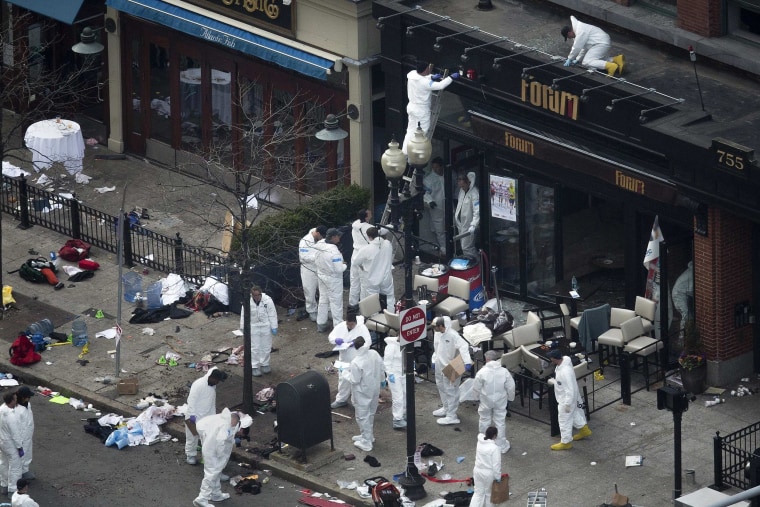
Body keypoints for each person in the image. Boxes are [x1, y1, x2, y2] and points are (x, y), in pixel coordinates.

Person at [403, 62, 459, 153]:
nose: (430, 69)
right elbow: (440, 86)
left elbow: (421, 79)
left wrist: (431, 77)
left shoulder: (412, 74)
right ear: (425, 69)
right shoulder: (424, 83)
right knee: (422, 133)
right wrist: (451, 77)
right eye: (428, 68)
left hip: (411, 107)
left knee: (410, 131)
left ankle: (405, 152)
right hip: (421, 110)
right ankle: (416, 154)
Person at [192, 409, 241, 507]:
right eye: (234, 424)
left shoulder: (220, 418)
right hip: (213, 450)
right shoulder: (225, 426)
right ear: (233, 421)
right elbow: (220, 441)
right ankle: (202, 498)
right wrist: (220, 454)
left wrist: (205, 437)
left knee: (216, 472)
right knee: (211, 473)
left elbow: (200, 426)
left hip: (209, 445)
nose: (233, 426)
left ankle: (215, 494)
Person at [547, 349, 591, 450]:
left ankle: (566, 442)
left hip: (566, 400)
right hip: (571, 398)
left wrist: (567, 404)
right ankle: (584, 430)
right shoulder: (566, 361)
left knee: (564, 420)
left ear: (555, 359)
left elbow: (569, 389)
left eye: (551, 358)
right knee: (574, 413)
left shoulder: (564, 372)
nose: (550, 359)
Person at [432, 316, 472, 425]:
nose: (436, 329)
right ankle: (446, 408)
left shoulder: (453, 335)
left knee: (451, 390)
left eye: (438, 326)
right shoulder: (437, 334)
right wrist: (434, 359)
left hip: (452, 366)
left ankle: (452, 415)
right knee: (441, 387)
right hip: (440, 365)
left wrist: (466, 361)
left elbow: (464, 346)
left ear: (443, 325)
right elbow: (437, 348)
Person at [473, 350, 515, 454]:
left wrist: (475, 398)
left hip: (486, 399)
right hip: (500, 399)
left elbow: (476, 388)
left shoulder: (482, 372)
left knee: (484, 419)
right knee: (500, 421)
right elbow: (511, 386)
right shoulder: (504, 371)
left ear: (487, 359)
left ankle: (484, 441)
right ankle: (500, 444)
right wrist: (510, 398)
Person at [184, 367, 228, 465]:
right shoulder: (198, 385)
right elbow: (191, 402)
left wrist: (213, 418)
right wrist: (192, 418)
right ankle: (190, 455)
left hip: (206, 417)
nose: (217, 383)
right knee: (192, 437)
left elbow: (212, 403)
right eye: (217, 380)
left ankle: (207, 458)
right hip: (193, 416)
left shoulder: (212, 386)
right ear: (211, 377)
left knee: (207, 439)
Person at [349, 336, 385, 452]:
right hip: (374, 389)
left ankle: (366, 441)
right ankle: (368, 436)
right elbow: (381, 368)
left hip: (362, 392)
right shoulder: (374, 353)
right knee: (370, 413)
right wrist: (382, 381)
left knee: (362, 416)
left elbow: (354, 380)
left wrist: (344, 373)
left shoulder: (356, 362)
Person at [328, 311, 371, 409]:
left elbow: (368, 342)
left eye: (352, 325)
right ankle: (341, 399)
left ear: (355, 322)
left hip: (357, 359)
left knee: (357, 382)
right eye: (348, 324)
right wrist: (336, 340)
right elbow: (331, 337)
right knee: (343, 379)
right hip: (343, 358)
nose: (350, 326)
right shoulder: (341, 326)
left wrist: (356, 343)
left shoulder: (362, 328)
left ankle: (358, 403)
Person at [240, 286, 279, 377]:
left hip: (265, 326)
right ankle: (254, 366)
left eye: (258, 295)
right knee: (254, 347)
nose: (256, 297)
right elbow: (243, 315)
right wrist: (243, 328)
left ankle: (265, 363)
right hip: (253, 326)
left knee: (266, 346)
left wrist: (274, 326)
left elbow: (272, 314)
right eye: (254, 295)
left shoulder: (268, 301)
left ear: (261, 293)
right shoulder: (247, 302)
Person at [316, 228, 347, 333]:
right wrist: (344, 265)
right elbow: (339, 269)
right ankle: (338, 327)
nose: (339, 237)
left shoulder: (319, 246)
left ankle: (321, 323)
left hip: (321, 276)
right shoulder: (334, 252)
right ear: (333, 237)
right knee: (336, 303)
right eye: (338, 236)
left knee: (323, 300)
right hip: (333, 279)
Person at [298, 225, 328, 322]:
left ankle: (326, 309)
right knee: (309, 291)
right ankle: (312, 311)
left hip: (320, 268)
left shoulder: (320, 239)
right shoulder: (305, 241)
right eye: (321, 237)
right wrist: (317, 257)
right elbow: (303, 257)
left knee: (324, 289)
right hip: (308, 269)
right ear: (317, 233)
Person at [362, 227, 396, 309]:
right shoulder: (388, 244)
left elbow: (357, 262)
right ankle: (391, 315)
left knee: (372, 299)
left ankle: (374, 318)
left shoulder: (366, 249)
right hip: (386, 276)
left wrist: (364, 267)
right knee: (389, 297)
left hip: (373, 278)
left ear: (369, 237)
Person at [470, 426, 503, 507]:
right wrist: (498, 477)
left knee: (478, 493)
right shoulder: (494, 448)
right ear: (495, 436)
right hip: (488, 473)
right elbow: (496, 465)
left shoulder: (480, 442)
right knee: (489, 495)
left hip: (477, 470)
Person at [0, 391, 23, 498]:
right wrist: (19, 447)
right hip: (10, 443)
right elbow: (15, 434)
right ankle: (12, 489)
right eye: (15, 399)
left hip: (2, 441)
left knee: (4, 463)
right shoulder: (10, 416)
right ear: (12, 401)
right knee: (15, 466)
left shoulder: (1, 409)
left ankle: (4, 485)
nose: (16, 400)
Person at [349, 210, 373, 309]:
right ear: (367, 217)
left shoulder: (355, 225)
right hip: (364, 257)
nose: (371, 213)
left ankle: (352, 304)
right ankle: (364, 306)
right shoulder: (369, 228)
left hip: (355, 255)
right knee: (364, 283)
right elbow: (377, 234)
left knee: (354, 280)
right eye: (369, 213)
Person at [383, 332, 407, 430]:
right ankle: (397, 419)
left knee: (405, 394)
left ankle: (403, 414)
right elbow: (387, 362)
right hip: (395, 375)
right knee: (398, 397)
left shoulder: (405, 345)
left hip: (403, 373)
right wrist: (390, 374)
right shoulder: (391, 347)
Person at [454, 171, 480, 258]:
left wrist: (473, 225)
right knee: (464, 247)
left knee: (467, 247)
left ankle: (477, 266)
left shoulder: (474, 193)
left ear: (468, 182)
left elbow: (477, 211)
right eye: (460, 183)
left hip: (469, 226)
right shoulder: (462, 191)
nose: (462, 187)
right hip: (461, 225)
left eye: (463, 184)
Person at [423, 157, 447, 251]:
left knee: (452, 224)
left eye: (437, 167)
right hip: (437, 207)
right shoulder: (429, 180)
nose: (435, 169)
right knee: (439, 228)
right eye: (433, 167)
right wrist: (430, 201)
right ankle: (444, 248)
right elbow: (425, 192)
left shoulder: (449, 175)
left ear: (442, 167)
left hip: (448, 205)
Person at [14, 387, 34, 481]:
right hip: (19, 437)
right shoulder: (15, 409)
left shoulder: (27, 404)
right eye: (27, 397)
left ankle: (24, 471)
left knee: (27, 453)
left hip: (27, 435)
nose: (29, 398)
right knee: (17, 457)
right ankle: (17, 477)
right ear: (22, 397)